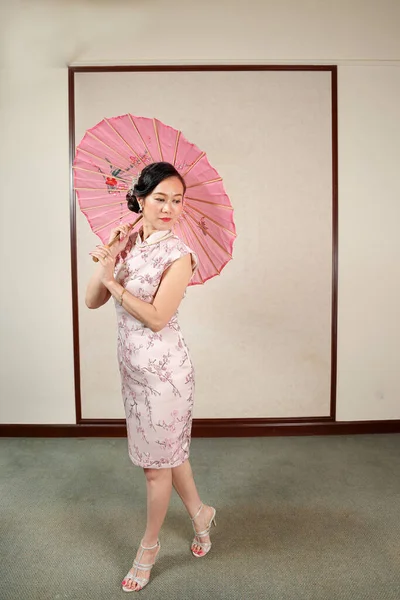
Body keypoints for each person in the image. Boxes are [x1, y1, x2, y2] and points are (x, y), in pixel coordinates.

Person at [85, 162, 216, 592]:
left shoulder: (180, 254)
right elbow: (91, 301)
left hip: (167, 376)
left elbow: (159, 317)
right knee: (169, 453)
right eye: (160, 198)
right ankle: (200, 513)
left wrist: (116, 284)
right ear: (140, 200)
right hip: (134, 373)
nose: (169, 208)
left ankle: (149, 547)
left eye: (177, 200)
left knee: (155, 468)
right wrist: (108, 257)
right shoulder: (129, 246)